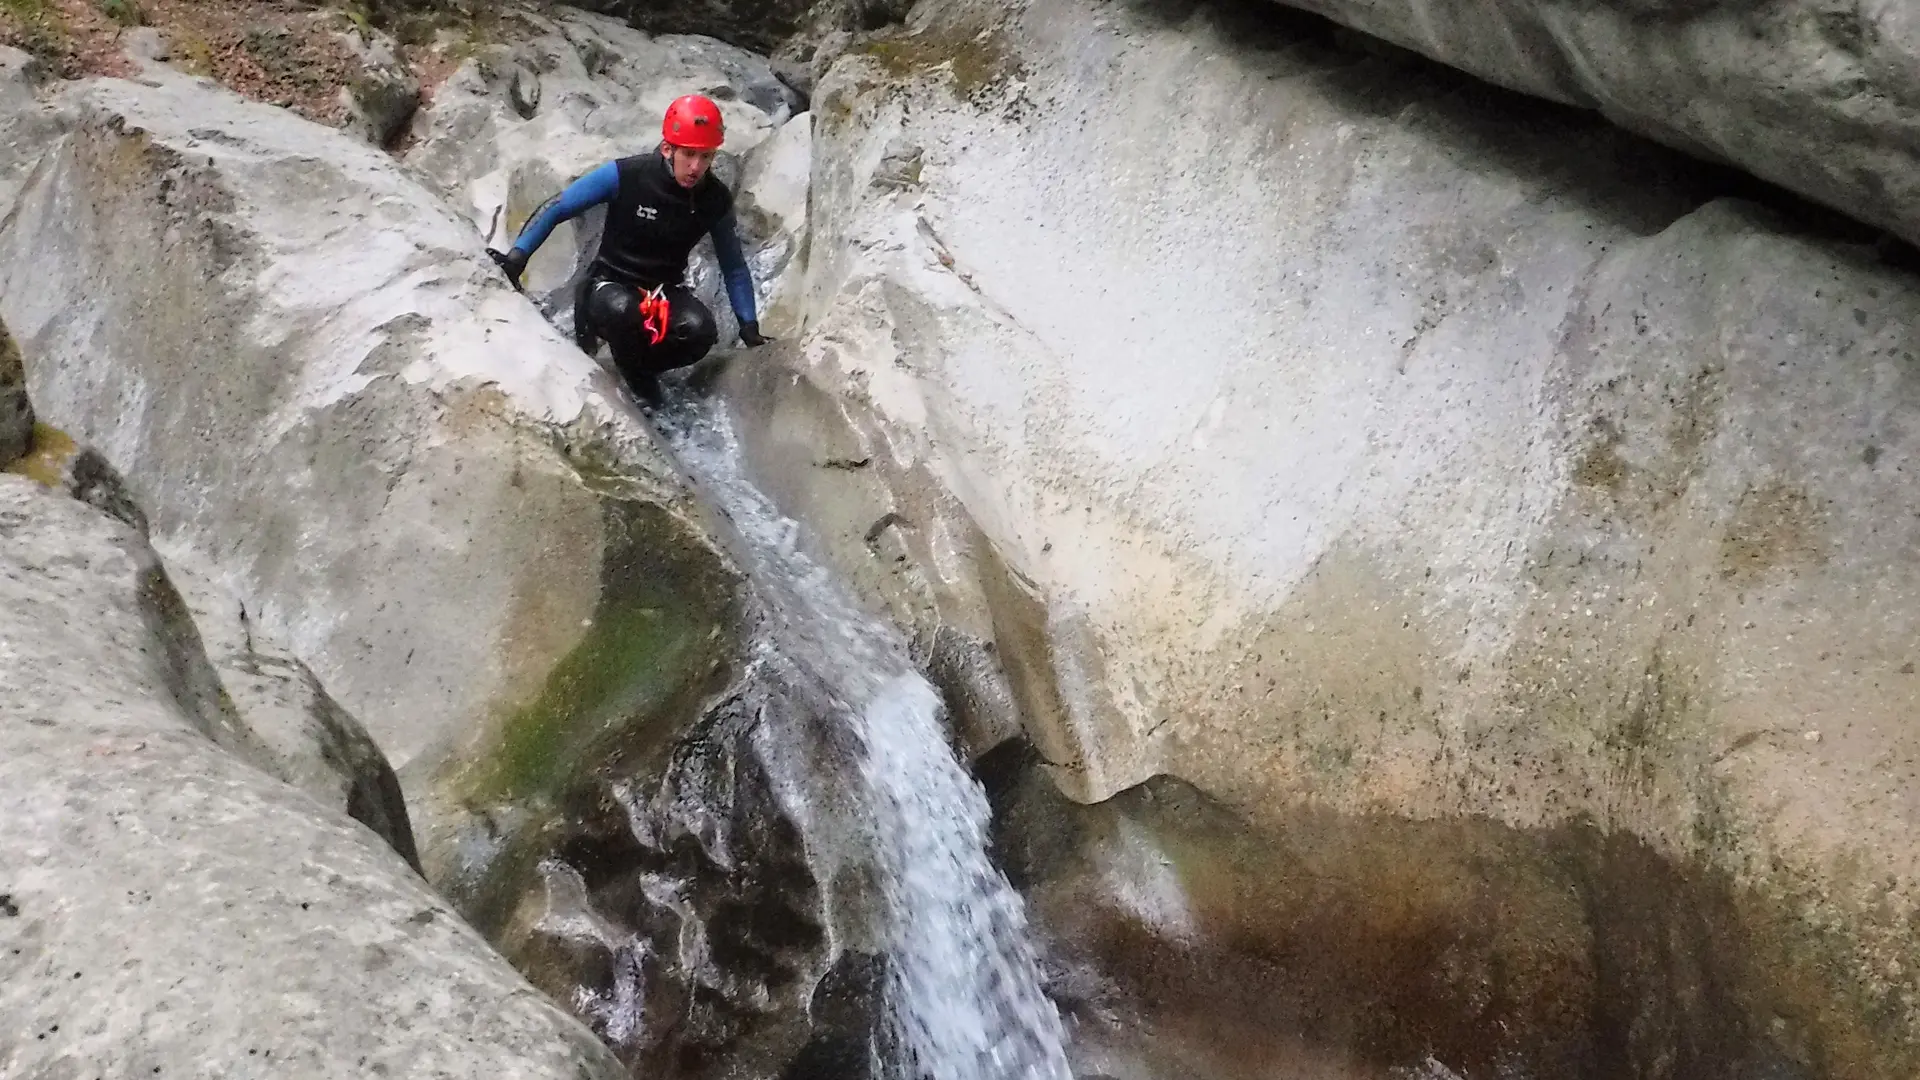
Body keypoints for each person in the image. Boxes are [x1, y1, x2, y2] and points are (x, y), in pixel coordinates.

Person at [488, 93, 770, 404]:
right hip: (608, 283)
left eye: (705, 157)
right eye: (688, 154)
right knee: (623, 310)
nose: (695, 167)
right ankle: (640, 383)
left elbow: (733, 266)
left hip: (662, 291)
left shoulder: (714, 199)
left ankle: (635, 366)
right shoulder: (628, 175)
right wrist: (516, 259)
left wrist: (749, 326)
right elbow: (558, 206)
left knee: (700, 332)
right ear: (667, 149)